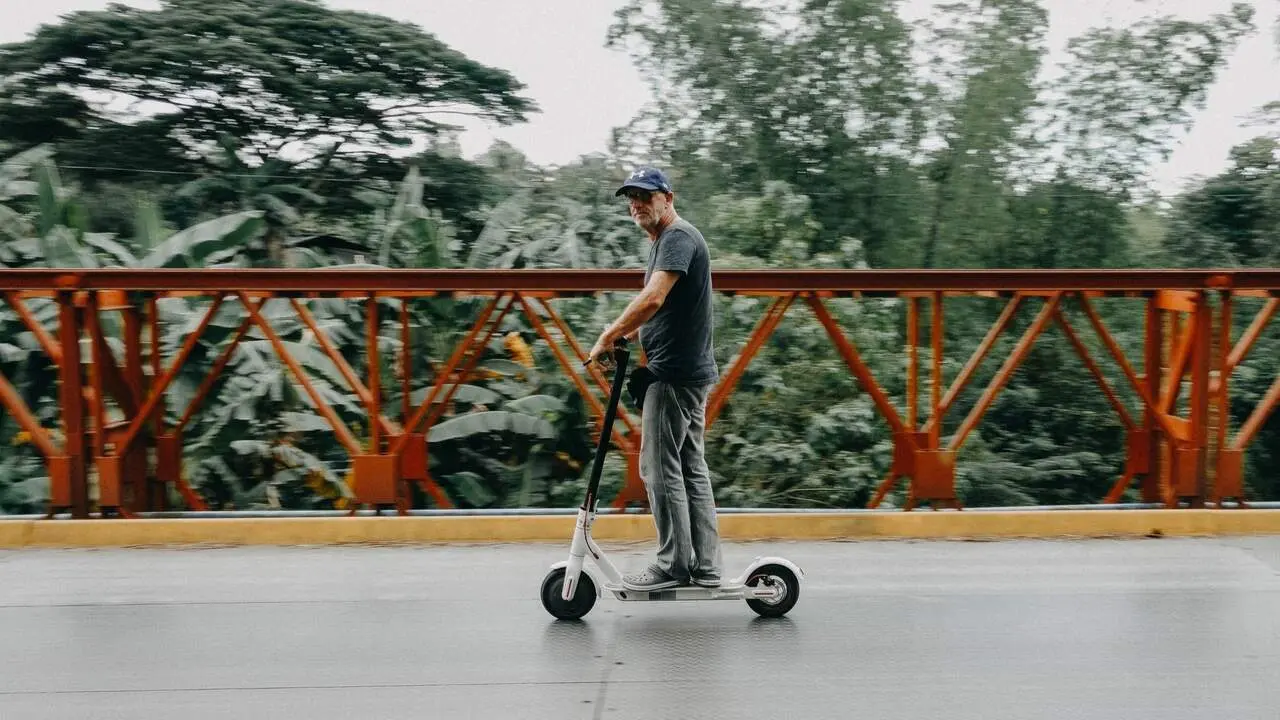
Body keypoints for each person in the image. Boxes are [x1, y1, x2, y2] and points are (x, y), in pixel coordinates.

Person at [586, 167, 723, 591]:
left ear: (668, 196)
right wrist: (625, 337)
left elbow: (654, 297)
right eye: (630, 197)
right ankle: (705, 566)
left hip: (674, 375)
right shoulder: (669, 240)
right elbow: (663, 308)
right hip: (689, 372)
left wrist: (607, 336)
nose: (636, 203)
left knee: (657, 469)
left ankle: (673, 566)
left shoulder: (677, 237)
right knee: (688, 467)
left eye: (645, 195)